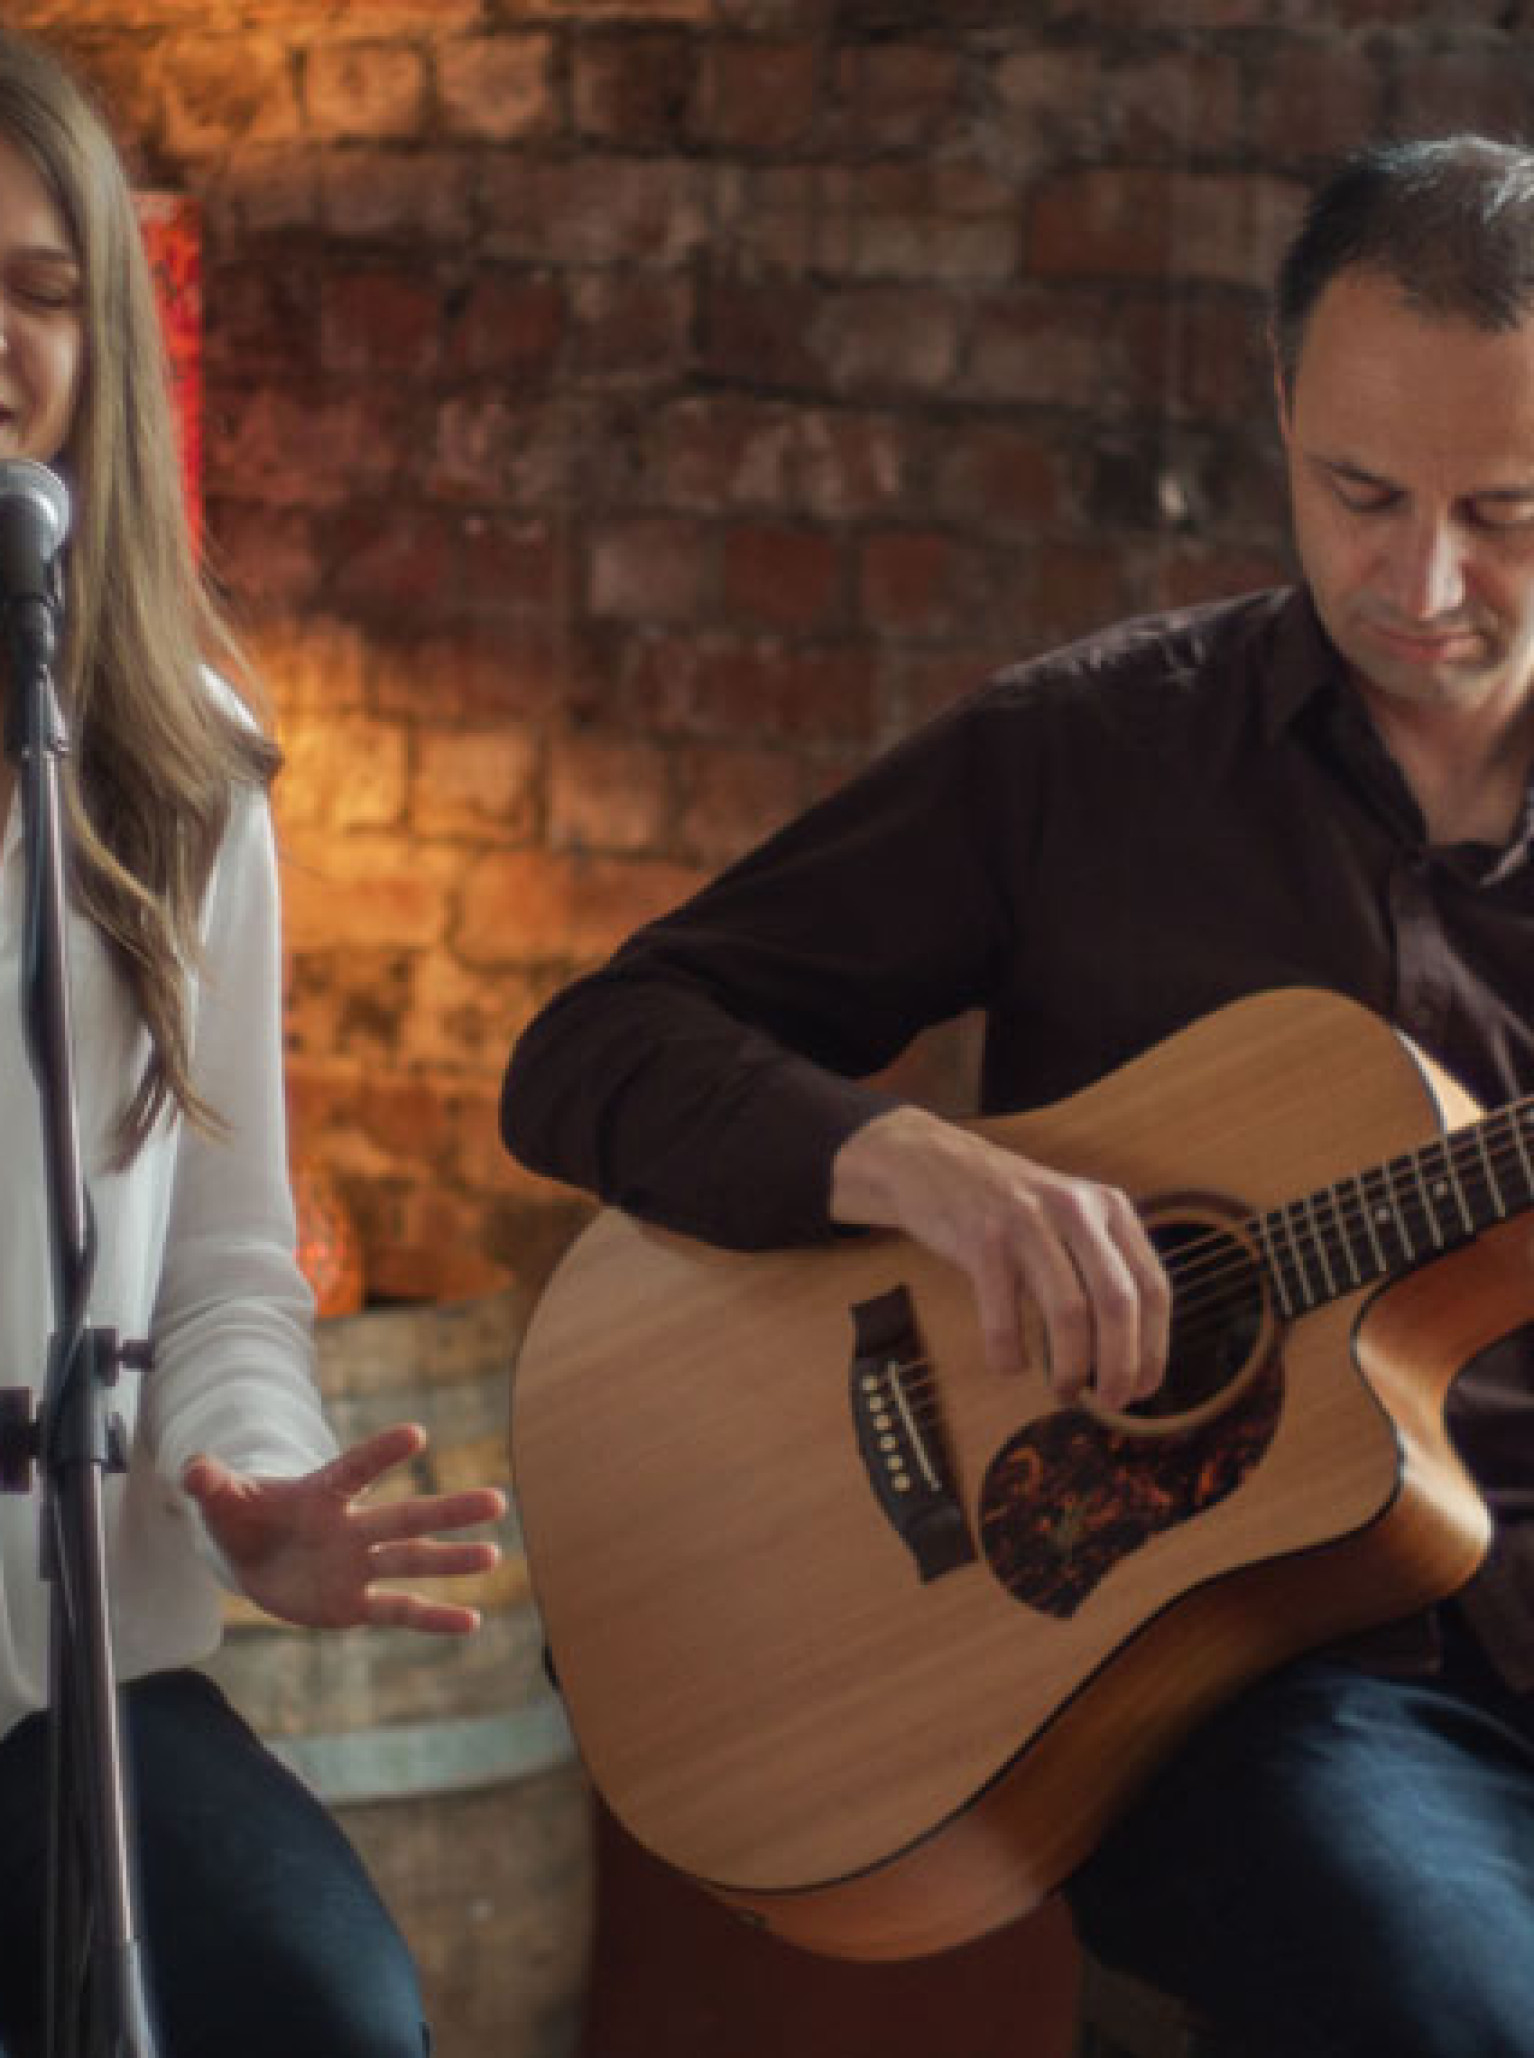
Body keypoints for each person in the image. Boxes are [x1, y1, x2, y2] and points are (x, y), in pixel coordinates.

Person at [502, 136, 1534, 2057]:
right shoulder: (1091, 756)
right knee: (1459, 2002)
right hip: (1236, 1676)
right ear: (1278, 404)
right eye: (1360, 493)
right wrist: (917, 1168)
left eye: (1504, 513)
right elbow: (596, 1050)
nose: (1423, 581)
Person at [0, 27, 506, 2058]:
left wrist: (264, 1480)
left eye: (44, 291)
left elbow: (220, 1262)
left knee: (329, 2008)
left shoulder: (181, 753)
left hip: (68, 1658)